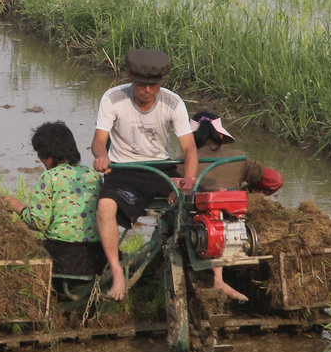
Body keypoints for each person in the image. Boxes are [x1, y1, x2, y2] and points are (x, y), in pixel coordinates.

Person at [91, 48, 199, 301]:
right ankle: (117, 272)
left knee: (205, 205)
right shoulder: (112, 98)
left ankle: (210, 274)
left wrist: (188, 183)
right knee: (105, 206)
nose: (148, 91)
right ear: (130, 77)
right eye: (141, 85)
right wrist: (101, 156)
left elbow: (189, 148)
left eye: (154, 85)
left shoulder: (173, 102)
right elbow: (98, 140)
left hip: (160, 171)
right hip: (124, 171)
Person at [190, 110, 283, 301]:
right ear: (221, 135)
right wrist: (246, 194)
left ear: (190, 137)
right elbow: (275, 181)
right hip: (234, 221)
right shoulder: (239, 159)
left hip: (198, 227)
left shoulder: (182, 163)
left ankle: (217, 279)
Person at [5, 121, 106, 276]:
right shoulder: (92, 175)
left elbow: (39, 223)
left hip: (62, 258)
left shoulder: (50, 177)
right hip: (97, 257)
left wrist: (18, 207)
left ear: (48, 154)